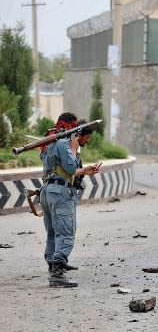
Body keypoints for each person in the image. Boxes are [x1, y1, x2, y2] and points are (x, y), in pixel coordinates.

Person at [40, 120, 101, 287]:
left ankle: (54, 264)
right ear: (76, 134)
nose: (86, 141)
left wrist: (85, 170)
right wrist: (73, 149)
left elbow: (59, 168)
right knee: (66, 233)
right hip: (61, 193)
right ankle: (57, 274)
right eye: (85, 137)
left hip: (48, 191)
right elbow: (70, 167)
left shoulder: (52, 144)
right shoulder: (64, 144)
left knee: (53, 232)